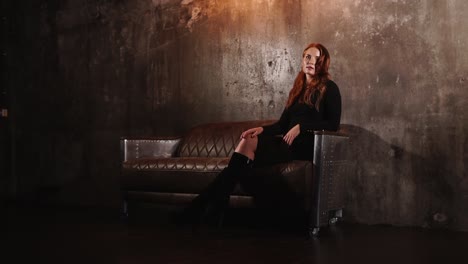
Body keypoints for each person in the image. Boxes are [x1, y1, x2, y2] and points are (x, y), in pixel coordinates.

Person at [175, 43, 341, 226]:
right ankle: (215, 210)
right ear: (302, 59)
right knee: (248, 142)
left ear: (323, 64)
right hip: (286, 143)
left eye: (318, 59)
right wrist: (262, 129)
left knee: (237, 166)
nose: (312, 62)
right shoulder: (298, 89)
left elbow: (333, 124)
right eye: (308, 57)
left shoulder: (329, 88)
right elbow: (281, 125)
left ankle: (200, 209)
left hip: (305, 146)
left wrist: (302, 126)